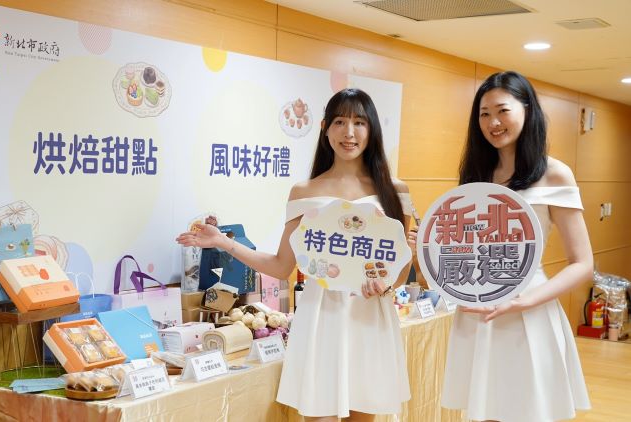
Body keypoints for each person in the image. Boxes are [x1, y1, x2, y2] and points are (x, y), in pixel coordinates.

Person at [176, 88, 414, 421]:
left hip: (369, 316)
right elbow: (280, 266)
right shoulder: (305, 192)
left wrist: (388, 280)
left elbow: (398, 274)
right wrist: (223, 242)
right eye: (340, 122)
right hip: (321, 318)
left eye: (359, 123)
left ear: (371, 129)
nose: (349, 132)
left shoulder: (394, 190)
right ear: (325, 128)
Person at [440, 71, 592, 421]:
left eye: (502, 111)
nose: (493, 122)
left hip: (529, 309)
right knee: (483, 411)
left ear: (528, 109)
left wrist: (524, 301)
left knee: (528, 410)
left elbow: (582, 263)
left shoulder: (554, 173)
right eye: (484, 114)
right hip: (480, 310)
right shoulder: (476, 175)